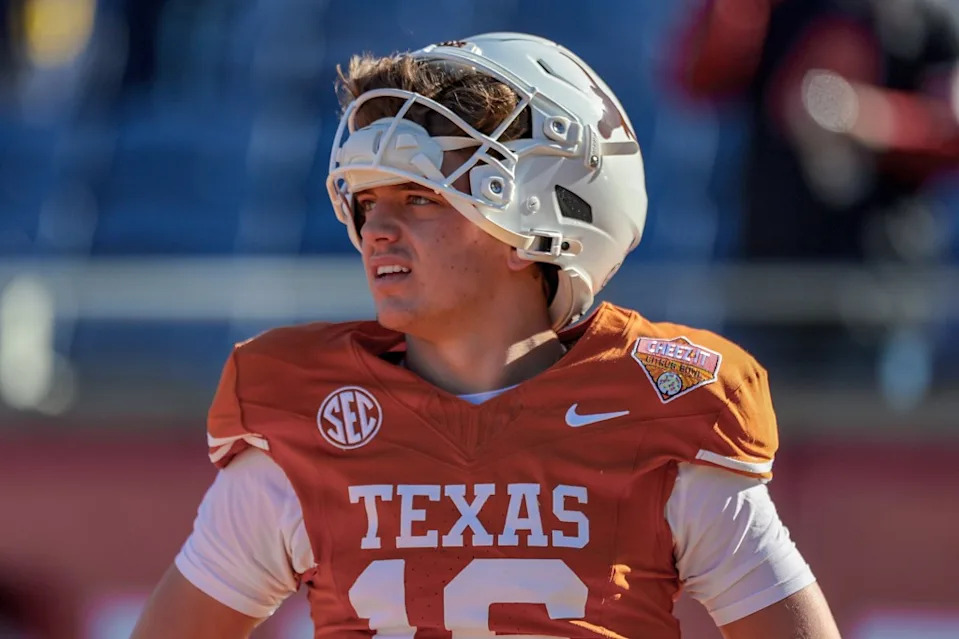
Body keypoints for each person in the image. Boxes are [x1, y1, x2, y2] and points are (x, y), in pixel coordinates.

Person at [131, 32, 841, 639]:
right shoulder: (302, 432)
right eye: (368, 200)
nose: (377, 229)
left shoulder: (658, 412)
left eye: (420, 197)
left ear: (534, 223)